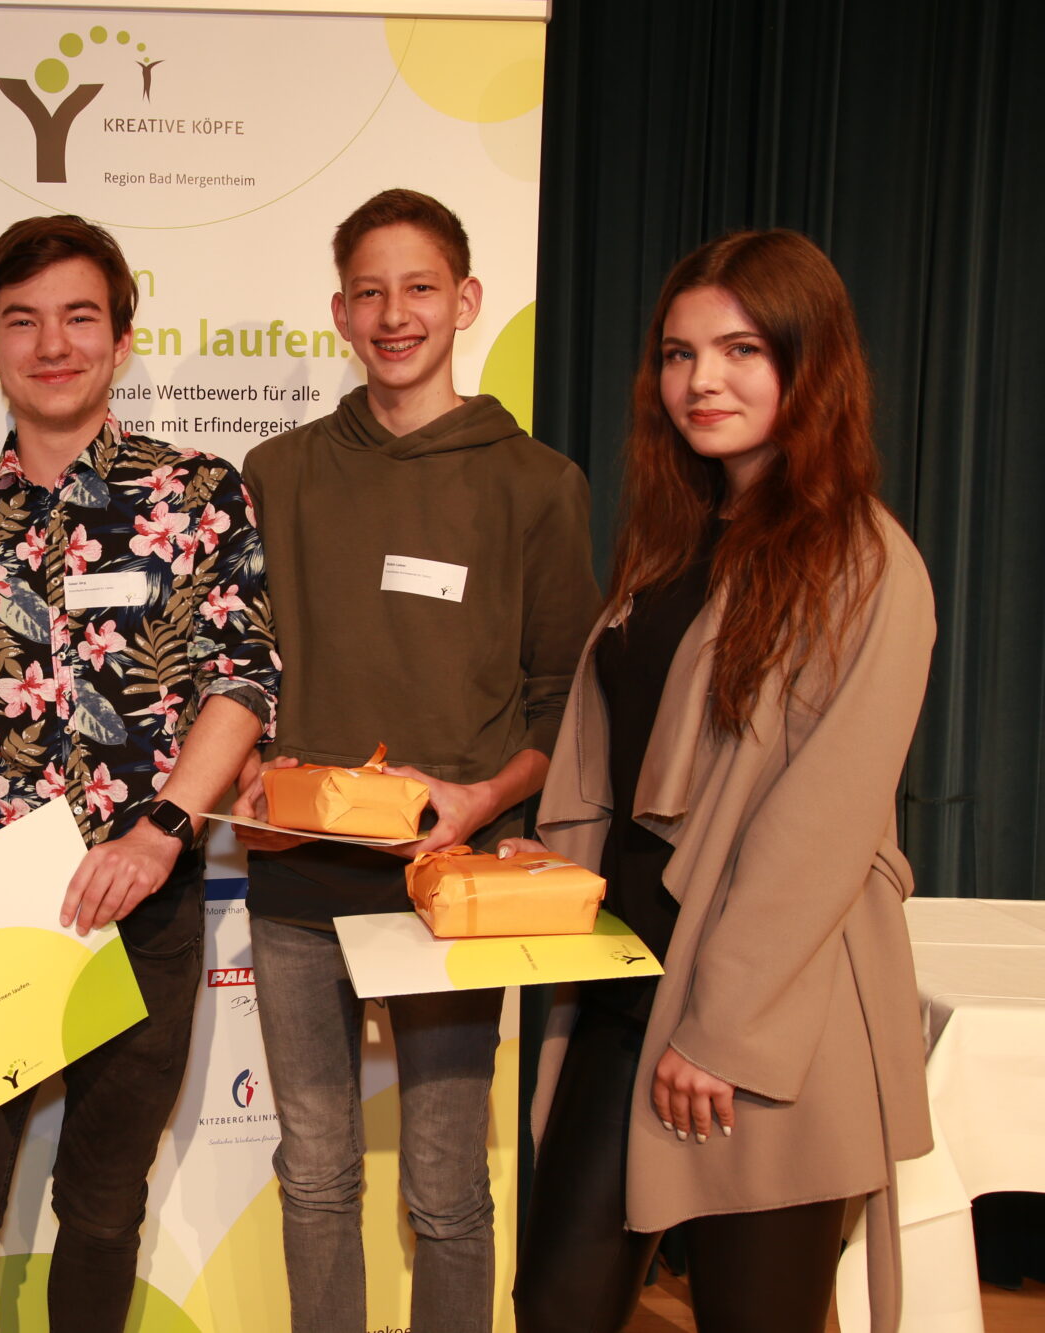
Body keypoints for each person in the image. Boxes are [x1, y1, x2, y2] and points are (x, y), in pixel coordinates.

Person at [508, 230, 935, 1333]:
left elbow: (820, 823)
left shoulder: (864, 563)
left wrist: (722, 1029)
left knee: (756, 1315)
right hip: (629, 976)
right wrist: (549, 873)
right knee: (555, 1300)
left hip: (763, 1008)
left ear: (810, 362)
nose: (701, 380)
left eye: (740, 349)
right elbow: (617, 763)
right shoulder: (676, 541)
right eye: (678, 353)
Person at [0, 214, 277, 1333]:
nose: (52, 344)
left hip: (143, 895)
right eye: (23, 322)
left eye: (78, 317)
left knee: (104, 1211)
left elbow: (243, 679)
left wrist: (161, 831)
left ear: (119, 336)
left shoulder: (196, 492)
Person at [232, 188, 599, 1333]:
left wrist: (479, 799)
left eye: (419, 288)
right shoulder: (276, 473)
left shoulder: (535, 484)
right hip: (296, 881)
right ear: (339, 312)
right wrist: (242, 762)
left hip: (450, 887)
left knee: (444, 1186)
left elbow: (564, 696)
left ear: (466, 300)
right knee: (313, 1173)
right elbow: (235, 671)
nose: (394, 314)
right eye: (369, 292)